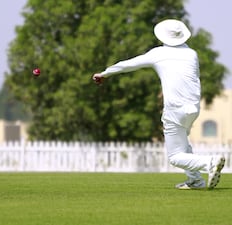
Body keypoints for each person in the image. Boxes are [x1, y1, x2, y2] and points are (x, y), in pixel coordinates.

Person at [92, 19, 225, 189]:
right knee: (183, 145)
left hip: (175, 109)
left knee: (175, 156)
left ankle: (209, 162)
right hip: (193, 108)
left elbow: (128, 65)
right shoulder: (192, 54)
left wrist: (104, 74)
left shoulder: (158, 53)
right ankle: (196, 180)